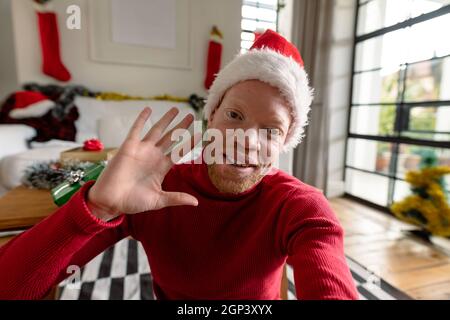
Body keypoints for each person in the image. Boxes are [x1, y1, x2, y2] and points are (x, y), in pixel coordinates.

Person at [0, 30, 358, 300]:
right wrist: (96, 206)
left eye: (271, 129)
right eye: (235, 115)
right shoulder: (152, 191)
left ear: (285, 141)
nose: (247, 140)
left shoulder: (300, 206)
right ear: (211, 117)